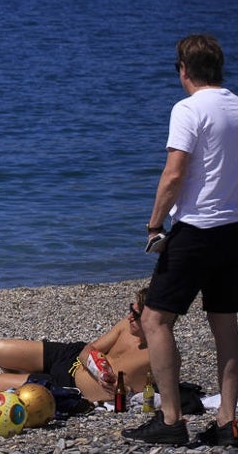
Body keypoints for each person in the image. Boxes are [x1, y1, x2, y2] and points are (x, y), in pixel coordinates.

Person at [124, 34, 238, 447]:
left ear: (184, 70)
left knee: (155, 319)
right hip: (233, 229)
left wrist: (154, 226)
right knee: (225, 324)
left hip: (197, 230)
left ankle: (172, 420)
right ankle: (228, 421)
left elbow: (174, 173)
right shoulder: (236, 106)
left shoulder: (189, 109)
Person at [0, 286, 149, 403]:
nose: (129, 317)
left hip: (66, 385)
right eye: (130, 309)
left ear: (152, 318)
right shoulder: (127, 326)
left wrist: (125, 391)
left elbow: (155, 393)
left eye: (135, 314)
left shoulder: (156, 356)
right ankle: (26, 377)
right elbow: (87, 350)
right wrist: (100, 371)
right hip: (70, 356)